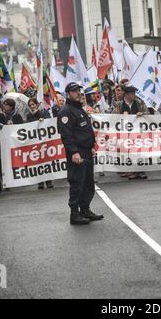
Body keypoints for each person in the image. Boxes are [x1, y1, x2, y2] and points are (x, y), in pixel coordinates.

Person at [57, 82, 104, 226]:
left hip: (86, 151)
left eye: (79, 90)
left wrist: (91, 146)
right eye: (75, 91)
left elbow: (85, 130)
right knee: (77, 182)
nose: (78, 93)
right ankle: (74, 214)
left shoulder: (79, 109)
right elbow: (67, 135)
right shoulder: (66, 112)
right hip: (77, 153)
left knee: (88, 183)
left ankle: (85, 209)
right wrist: (74, 152)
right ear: (68, 94)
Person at [120, 86, 149, 180]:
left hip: (138, 132)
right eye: (132, 94)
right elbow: (112, 116)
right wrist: (120, 116)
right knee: (130, 152)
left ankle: (141, 171)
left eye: (134, 93)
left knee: (140, 151)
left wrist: (142, 113)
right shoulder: (119, 104)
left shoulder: (139, 102)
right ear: (127, 95)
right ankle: (132, 171)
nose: (134, 95)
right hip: (126, 133)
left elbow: (148, 112)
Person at [27, 98, 54, 190]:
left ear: (37, 105)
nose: (32, 106)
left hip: (45, 140)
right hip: (35, 141)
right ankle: (40, 182)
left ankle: (48, 181)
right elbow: (28, 125)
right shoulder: (28, 115)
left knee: (46, 160)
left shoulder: (45, 112)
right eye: (30, 105)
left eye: (33, 104)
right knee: (37, 161)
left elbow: (48, 121)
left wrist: (38, 113)